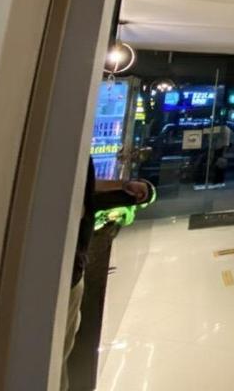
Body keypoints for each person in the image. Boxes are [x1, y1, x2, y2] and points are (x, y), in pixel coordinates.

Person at [61, 159, 152, 390]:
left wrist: (125, 186)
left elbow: (87, 188)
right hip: (65, 272)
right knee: (57, 353)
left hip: (72, 269)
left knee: (63, 348)